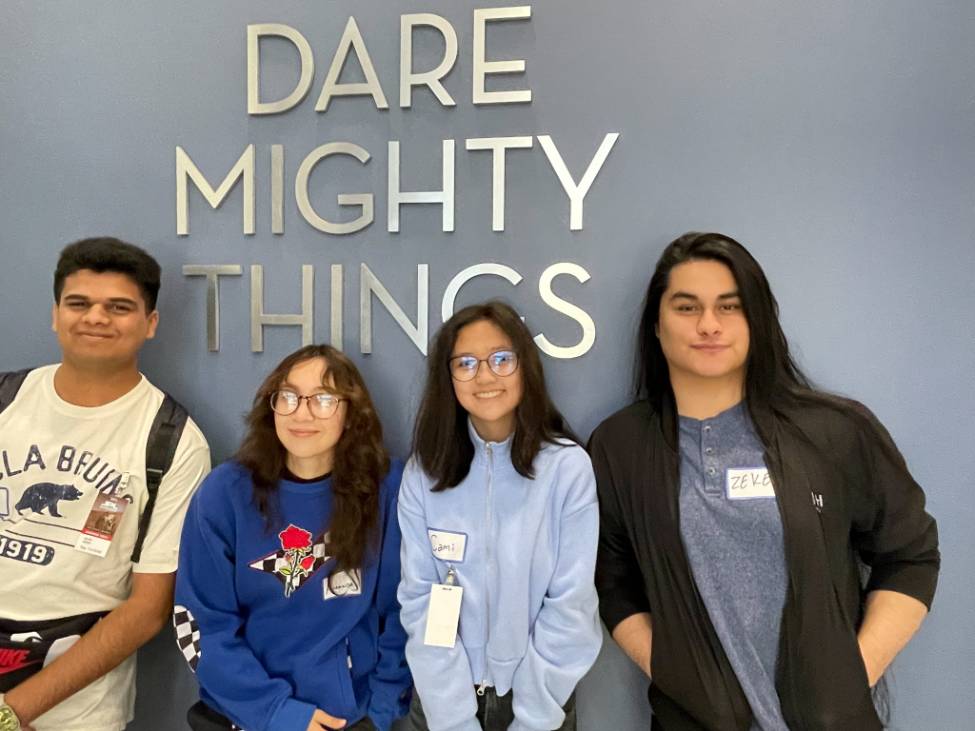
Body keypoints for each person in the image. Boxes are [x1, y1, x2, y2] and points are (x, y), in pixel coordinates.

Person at [589, 232, 940, 730]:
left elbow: (910, 556)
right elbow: (612, 579)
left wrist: (849, 677)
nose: (709, 325)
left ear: (757, 319)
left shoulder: (834, 432)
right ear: (656, 326)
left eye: (729, 307)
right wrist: (668, 668)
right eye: (687, 308)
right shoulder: (619, 446)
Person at [0, 237, 211, 731]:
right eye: (79, 303)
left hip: (73, 708)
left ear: (150, 323)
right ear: (56, 314)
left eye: (118, 307)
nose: (96, 318)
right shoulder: (6, 401)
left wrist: (13, 711)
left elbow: (147, 608)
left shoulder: (173, 441)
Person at [174, 344, 410, 731]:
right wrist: (277, 713)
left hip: (348, 720)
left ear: (351, 413)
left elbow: (402, 614)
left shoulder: (387, 490)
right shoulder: (225, 493)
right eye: (288, 397)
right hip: (243, 717)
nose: (301, 412)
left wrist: (379, 713)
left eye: (322, 399)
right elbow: (199, 627)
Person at [397, 301, 602, 731]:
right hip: (441, 701)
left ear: (525, 367)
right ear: (448, 376)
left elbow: (571, 605)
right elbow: (421, 601)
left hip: (540, 704)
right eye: (466, 363)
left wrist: (532, 717)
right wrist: (453, 719)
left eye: (501, 360)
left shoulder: (567, 468)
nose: (485, 376)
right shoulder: (424, 471)